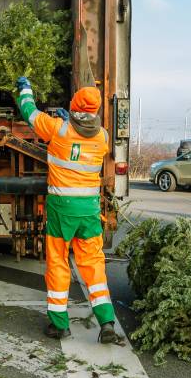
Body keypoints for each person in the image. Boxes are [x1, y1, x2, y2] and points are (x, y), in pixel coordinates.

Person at [15, 77, 118, 344]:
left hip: (62, 211)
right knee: (93, 265)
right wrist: (72, 120)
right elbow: (84, 134)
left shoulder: (57, 130)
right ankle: (106, 321)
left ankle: (59, 325)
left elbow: (30, 113)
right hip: (89, 212)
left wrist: (26, 89)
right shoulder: (104, 137)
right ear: (95, 112)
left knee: (59, 263)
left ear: (73, 107)